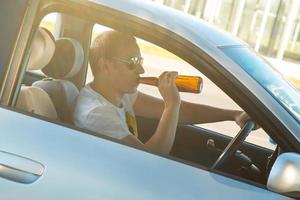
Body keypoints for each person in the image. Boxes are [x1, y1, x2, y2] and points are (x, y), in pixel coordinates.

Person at [73, 30, 250, 154]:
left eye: (140, 60)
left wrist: (233, 114)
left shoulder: (121, 94)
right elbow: (151, 157)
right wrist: (171, 105)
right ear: (105, 66)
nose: (141, 70)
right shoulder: (97, 113)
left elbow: (184, 113)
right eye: (132, 62)